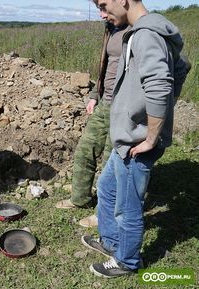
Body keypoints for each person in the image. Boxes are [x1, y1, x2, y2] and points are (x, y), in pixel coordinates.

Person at [81, 0, 188, 278]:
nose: (102, 13)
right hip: (126, 138)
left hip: (136, 143)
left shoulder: (147, 35)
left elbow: (160, 84)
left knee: (128, 208)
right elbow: (181, 68)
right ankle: (112, 242)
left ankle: (128, 261)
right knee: (106, 189)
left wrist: (152, 136)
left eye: (104, 5)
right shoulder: (141, 30)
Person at [55, 3, 128, 229]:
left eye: (104, 6)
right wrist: (95, 94)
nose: (101, 14)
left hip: (123, 109)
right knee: (85, 150)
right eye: (99, 7)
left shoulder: (140, 30)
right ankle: (80, 198)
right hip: (104, 103)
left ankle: (103, 215)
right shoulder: (112, 27)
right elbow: (105, 66)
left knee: (110, 163)